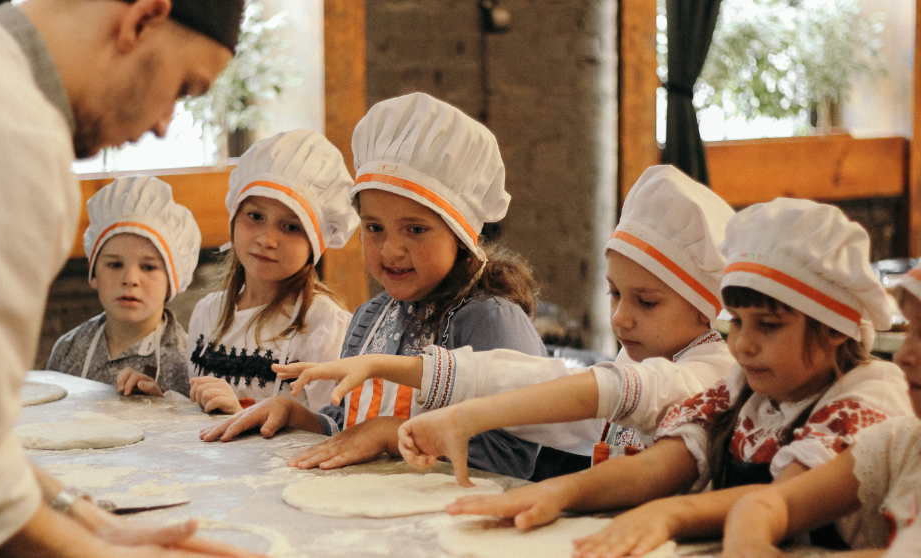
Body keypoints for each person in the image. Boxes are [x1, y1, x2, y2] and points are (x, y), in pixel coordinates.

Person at [0, 0, 262, 556]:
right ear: (142, 20)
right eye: (184, 89)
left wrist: (87, 518)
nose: (166, 125)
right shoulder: (8, 134)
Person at [441, 199, 912, 557]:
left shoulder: (866, 394)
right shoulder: (744, 390)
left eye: (768, 326)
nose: (743, 345)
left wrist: (670, 512)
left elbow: (783, 499)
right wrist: (556, 494)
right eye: (739, 323)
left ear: (833, 330)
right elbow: (659, 466)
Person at [282, 164, 737, 482]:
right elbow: (530, 380)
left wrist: (460, 421)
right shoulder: (646, 351)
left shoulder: (707, 374)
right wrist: (390, 366)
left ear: (707, 306)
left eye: (647, 302)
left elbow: (597, 391)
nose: (621, 317)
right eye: (615, 294)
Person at [199, 92, 547, 480]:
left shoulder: (489, 319)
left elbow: (514, 457)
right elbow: (346, 424)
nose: (391, 249)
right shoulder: (370, 317)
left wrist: (391, 435)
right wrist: (297, 416)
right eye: (374, 228)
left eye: (415, 229)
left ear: (461, 236)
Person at [720, 261, 921, 558]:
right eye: (910, 332)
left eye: (768, 324)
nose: (903, 355)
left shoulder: (873, 392)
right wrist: (747, 543)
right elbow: (771, 502)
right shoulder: (903, 442)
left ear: (833, 328)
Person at [186, 130, 356, 414]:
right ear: (235, 218)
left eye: (290, 227)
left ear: (315, 242)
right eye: (255, 216)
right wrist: (160, 397)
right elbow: (192, 403)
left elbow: (331, 431)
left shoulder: (323, 326)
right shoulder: (207, 314)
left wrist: (241, 414)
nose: (267, 239)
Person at [47, 176, 200, 398]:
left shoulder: (187, 362)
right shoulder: (68, 349)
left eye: (148, 267)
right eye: (115, 264)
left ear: (172, 281)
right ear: (94, 275)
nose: (130, 279)